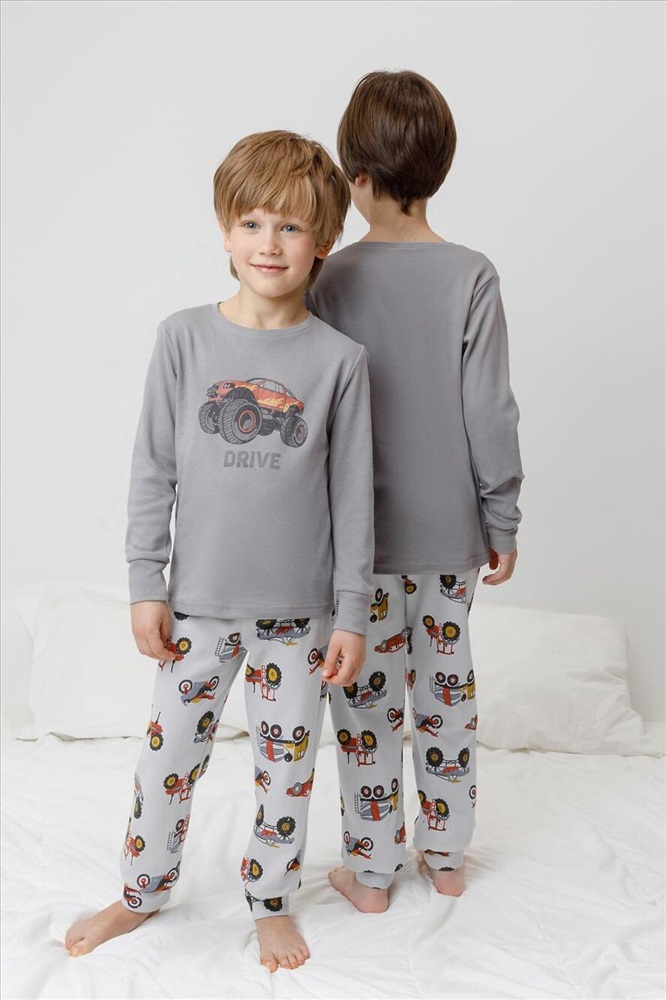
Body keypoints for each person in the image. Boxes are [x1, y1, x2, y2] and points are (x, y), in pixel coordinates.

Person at [65, 130, 374, 971]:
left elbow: (353, 497)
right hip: (196, 608)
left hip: (300, 618)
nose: (269, 244)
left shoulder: (340, 361)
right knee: (166, 758)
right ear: (224, 229)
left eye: (291, 227)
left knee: (287, 772)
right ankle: (140, 892)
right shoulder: (183, 339)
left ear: (324, 240)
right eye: (252, 223)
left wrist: (351, 613)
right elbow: (153, 468)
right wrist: (146, 582)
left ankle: (270, 900)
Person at [309, 70, 523, 912]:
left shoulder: (327, 279)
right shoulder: (472, 274)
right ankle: (446, 857)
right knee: (445, 697)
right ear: (439, 167)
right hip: (450, 536)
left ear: (354, 174)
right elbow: (490, 410)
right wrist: (501, 517)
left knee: (365, 706)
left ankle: (370, 876)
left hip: (356, 546)